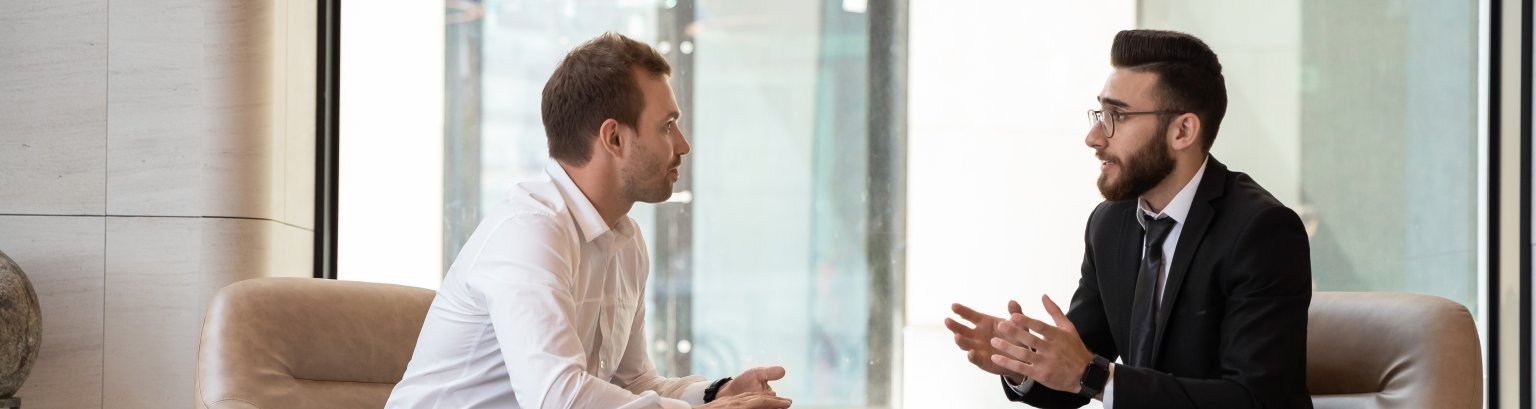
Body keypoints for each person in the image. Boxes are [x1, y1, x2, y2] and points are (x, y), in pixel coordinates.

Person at [386, 32, 793, 409]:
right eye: (667, 126)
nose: (683, 145)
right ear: (614, 137)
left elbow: (633, 384)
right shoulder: (530, 231)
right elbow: (557, 397)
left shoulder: (626, 241)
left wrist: (715, 394)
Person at [945, 29, 1312, 408]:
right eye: (1099, 113)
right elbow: (1076, 367)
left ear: (1182, 130)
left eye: (1116, 115)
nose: (1094, 136)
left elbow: (1256, 400)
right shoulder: (1110, 225)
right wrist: (1023, 363)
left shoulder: (1262, 232)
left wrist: (1093, 376)